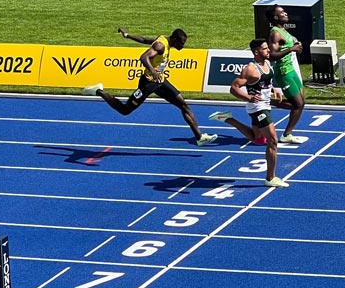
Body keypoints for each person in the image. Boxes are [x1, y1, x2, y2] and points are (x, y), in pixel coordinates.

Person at [82, 27, 218, 147]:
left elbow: (145, 40)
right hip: (148, 83)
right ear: (175, 39)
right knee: (124, 110)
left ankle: (199, 137)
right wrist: (153, 71)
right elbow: (143, 57)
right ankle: (99, 91)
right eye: (181, 43)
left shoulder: (163, 40)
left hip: (160, 82)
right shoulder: (161, 46)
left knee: (183, 105)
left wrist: (127, 35)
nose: (182, 46)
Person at [208, 39, 289, 188]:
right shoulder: (250, 69)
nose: (268, 51)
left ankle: (228, 119)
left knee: (258, 140)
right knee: (272, 141)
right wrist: (249, 97)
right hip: (257, 107)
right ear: (256, 52)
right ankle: (270, 178)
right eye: (265, 49)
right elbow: (234, 88)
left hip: (265, 104)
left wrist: (273, 89)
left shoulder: (267, 63)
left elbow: (265, 82)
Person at [264, 5, 308, 144]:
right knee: (298, 104)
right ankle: (267, 102)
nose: (286, 13)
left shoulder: (284, 30)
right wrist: (291, 49)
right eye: (282, 12)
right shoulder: (275, 33)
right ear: (276, 17)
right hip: (283, 72)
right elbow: (272, 55)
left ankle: (288, 133)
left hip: (291, 70)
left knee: (301, 103)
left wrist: (297, 45)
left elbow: (290, 43)